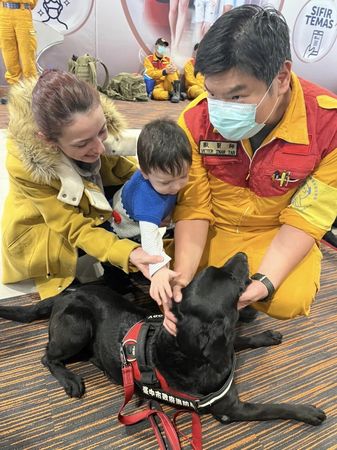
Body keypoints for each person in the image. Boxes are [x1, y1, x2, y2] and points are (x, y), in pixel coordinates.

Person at [164, 5, 337, 335]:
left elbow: (308, 216)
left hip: (273, 232)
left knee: (288, 297)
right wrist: (184, 276)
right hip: (213, 228)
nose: (219, 111)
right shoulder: (195, 119)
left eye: (236, 96)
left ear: (282, 78)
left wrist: (266, 282)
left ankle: (252, 300)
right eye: (212, 93)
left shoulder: (329, 125)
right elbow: (194, 207)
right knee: (182, 288)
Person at [1, 69, 163, 300]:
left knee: (136, 192)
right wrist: (127, 252)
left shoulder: (88, 127)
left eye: (102, 131)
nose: (99, 149)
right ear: (47, 141)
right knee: (83, 295)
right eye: (83, 143)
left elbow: (125, 172)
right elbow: (73, 227)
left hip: (84, 201)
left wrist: (159, 197)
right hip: (46, 229)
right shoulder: (25, 164)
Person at [110, 118, 192, 306]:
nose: (176, 186)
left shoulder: (165, 172)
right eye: (166, 182)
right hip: (125, 226)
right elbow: (150, 239)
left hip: (147, 214)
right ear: (144, 173)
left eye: (183, 176)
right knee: (121, 259)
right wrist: (159, 270)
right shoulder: (147, 200)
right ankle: (119, 285)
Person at [0, 1, 38, 85]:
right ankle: (14, 92)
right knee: (9, 56)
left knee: (27, 56)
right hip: (3, 13)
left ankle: (31, 92)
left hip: (23, 12)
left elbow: (33, 3)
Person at [143, 37, 182, 103]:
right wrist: (164, 72)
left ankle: (175, 93)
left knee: (172, 71)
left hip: (168, 84)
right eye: (161, 45)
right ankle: (173, 95)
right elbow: (150, 74)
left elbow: (176, 75)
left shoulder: (168, 59)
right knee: (156, 94)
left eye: (164, 46)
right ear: (156, 46)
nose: (163, 48)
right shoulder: (148, 59)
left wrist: (176, 70)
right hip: (157, 85)